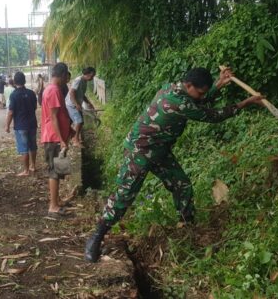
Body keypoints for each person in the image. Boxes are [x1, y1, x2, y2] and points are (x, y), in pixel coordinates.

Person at [84, 67, 266, 263]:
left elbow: (196, 101)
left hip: (159, 150)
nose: (202, 95)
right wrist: (247, 102)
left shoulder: (173, 88)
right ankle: (96, 237)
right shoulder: (178, 102)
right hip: (140, 151)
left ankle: (187, 227)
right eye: (201, 91)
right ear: (189, 85)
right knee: (124, 195)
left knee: (182, 184)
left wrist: (219, 84)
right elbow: (213, 115)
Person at [41, 63, 73, 216]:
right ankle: (53, 205)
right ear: (61, 75)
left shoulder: (53, 89)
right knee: (54, 171)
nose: (66, 79)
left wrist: (69, 130)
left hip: (56, 137)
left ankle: (57, 200)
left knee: (58, 170)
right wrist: (61, 139)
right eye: (66, 76)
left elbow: (60, 115)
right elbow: (53, 117)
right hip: (54, 138)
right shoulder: (53, 90)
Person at [5, 72, 38, 176]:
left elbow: (11, 112)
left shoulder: (14, 95)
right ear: (24, 81)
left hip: (21, 126)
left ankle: (26, 170)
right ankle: (33, 166)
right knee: (32, 146)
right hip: (32, 123)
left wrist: (7, 125)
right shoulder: (31, 93)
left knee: (24, 148)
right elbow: (35, 107)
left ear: (15, 82)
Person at [66, 67, 97, 147]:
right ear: (88, 74)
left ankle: (75, 138)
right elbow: (72, 93)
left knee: (81, 122)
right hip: (71, 104)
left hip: (77, 104)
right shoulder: (78, 80)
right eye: (92, 75)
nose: (92, 77)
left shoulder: (85, 82)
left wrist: (89, 103)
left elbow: (82, 95)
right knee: (78, 121)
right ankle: (75, 140)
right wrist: (76, 104)